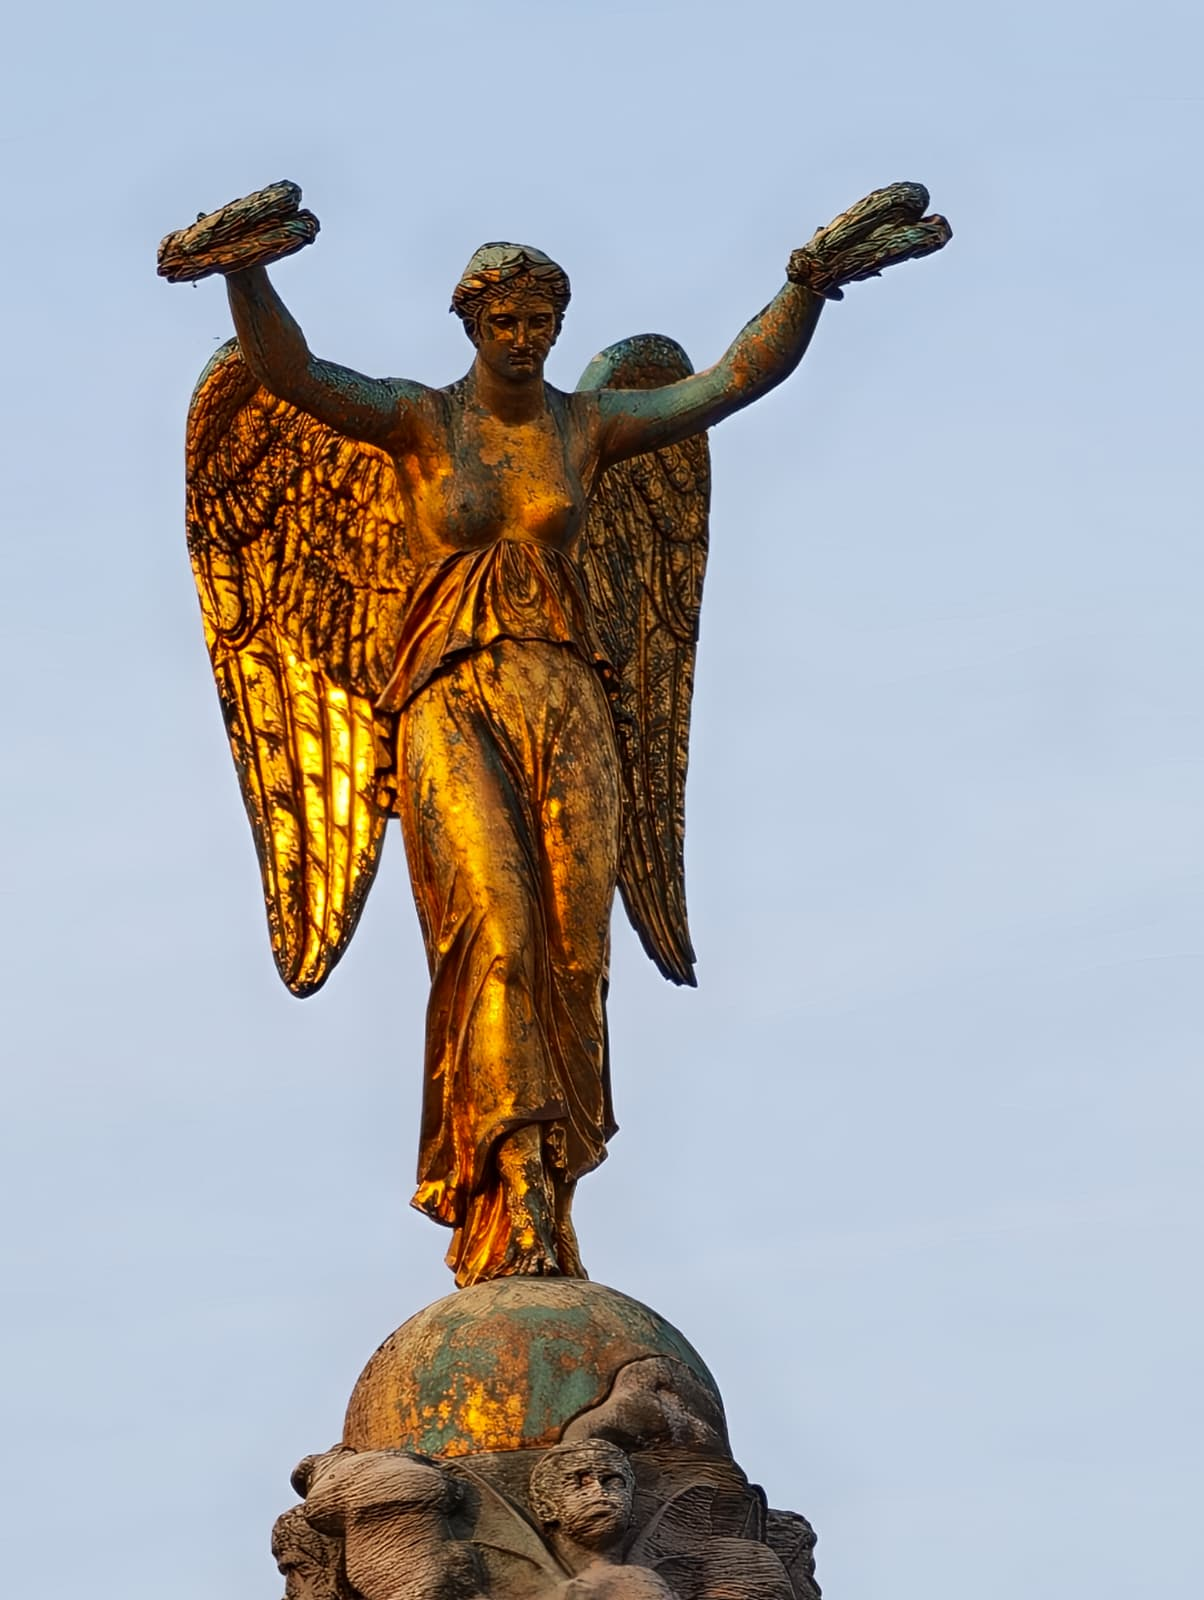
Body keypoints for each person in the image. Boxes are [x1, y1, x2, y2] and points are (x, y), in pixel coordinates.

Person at [220, 241, 825, 1285]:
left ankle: (560, 1185)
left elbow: (731, 380)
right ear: (471, 322)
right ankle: (516, 1188)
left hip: (567, 696)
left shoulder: (585, 427)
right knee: (493, 929)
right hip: (447, 699)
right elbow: (293, 374)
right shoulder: (419, 421)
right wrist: (246, 270)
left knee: (571, 953)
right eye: (507, 319)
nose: (525, 336)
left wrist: (807, 286)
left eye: (541, 320)